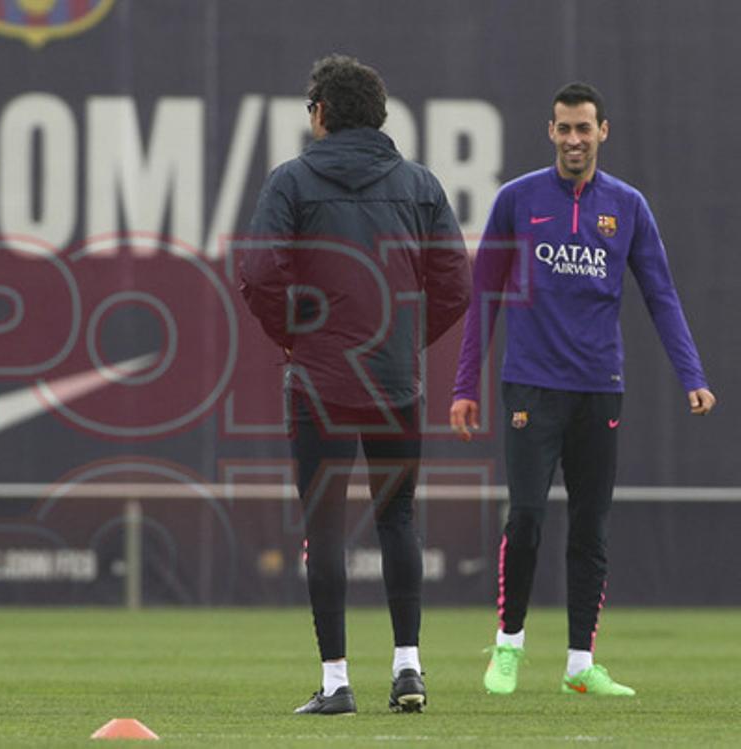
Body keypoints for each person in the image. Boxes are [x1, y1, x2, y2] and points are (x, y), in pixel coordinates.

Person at [450, 82, 715, 697]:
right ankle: (509, 646)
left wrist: (693, 375)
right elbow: (483, 295)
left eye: (584, 128)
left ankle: (579, 664)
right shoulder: (517, 200)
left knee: (591, 527)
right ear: (551, 132)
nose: (574, 139)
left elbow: (661, 295)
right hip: (530, 387)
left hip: (600, 388)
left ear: (603, 132)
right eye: (564, 128)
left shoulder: (628, 206)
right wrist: (465, 385)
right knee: (526, 516)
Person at [240, 54, 471, 714]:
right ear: (379, 116)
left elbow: (259, 274)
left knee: (325, 525)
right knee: (399, 517)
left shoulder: (290, 181)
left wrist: (294, 334)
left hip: (319, 382)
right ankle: (409, 669)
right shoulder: (420, 184)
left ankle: (337, 681)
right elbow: (455, 285)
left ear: (320, 113)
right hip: (395, 382)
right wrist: (402, 340)